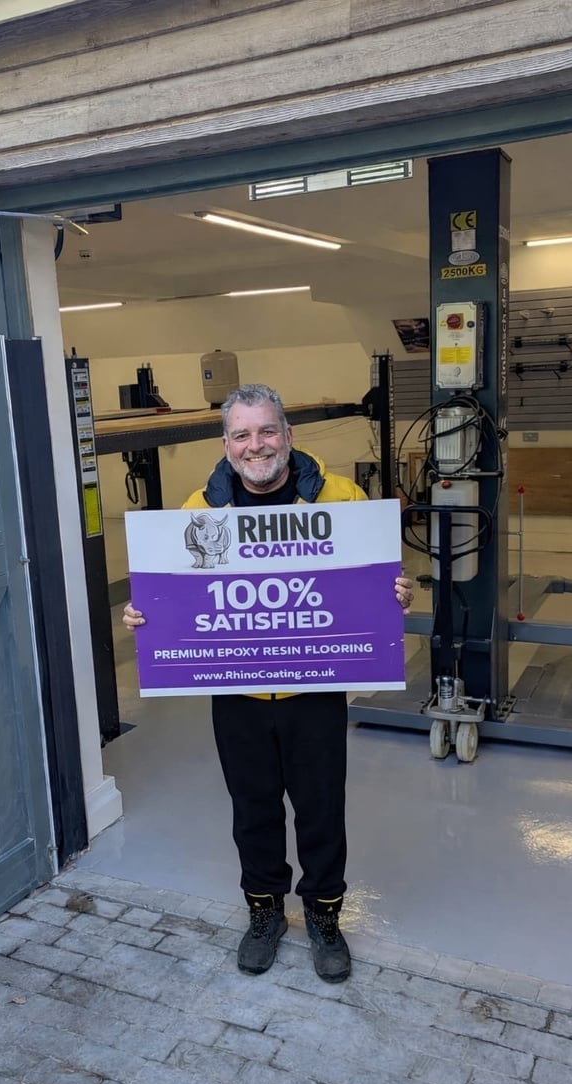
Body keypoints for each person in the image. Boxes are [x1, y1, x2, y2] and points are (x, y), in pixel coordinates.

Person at [123, 384, 413, 983]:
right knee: (252, 809)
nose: (256, 446)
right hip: (238, 694)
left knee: (320, 808)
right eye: (241, 434)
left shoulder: (341, 498)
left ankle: (325, 918)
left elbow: (368, 586)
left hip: (315, 690)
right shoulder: (199, 511)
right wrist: (147, 616)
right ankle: (265, 914)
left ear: (287, 434)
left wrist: (395, 597)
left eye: (266, 431)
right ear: (226, 443)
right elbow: (180, 598)